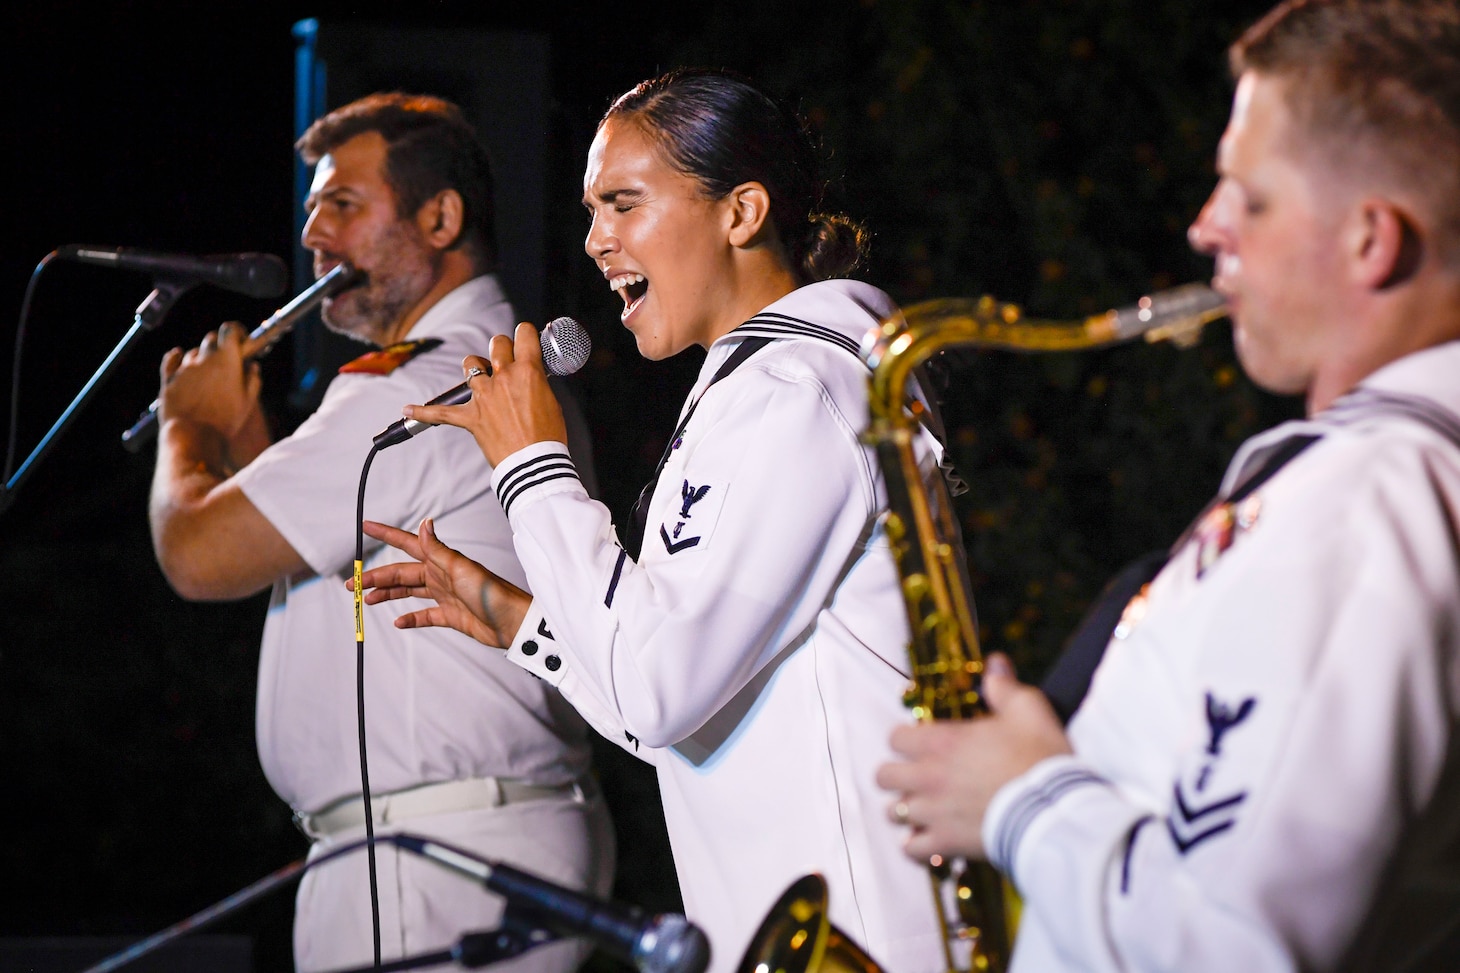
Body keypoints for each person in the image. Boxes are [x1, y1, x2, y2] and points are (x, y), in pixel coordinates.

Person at [875, 1, 1460, 970]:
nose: (1204, 227)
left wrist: (1022, 799)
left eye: (1249, 197)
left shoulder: (1364, 507)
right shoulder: (1379, 482)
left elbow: (1238, 951)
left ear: (1369, 240)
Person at [357, 70, 949, 973]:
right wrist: (526, 624)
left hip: (862, 939)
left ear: (741, 212)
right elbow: (675, 710)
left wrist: (533, 468)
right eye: (592, 211)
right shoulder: (768, 389)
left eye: (624, 204)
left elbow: (659, 686)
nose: (597, 241)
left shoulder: (794, 395)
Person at [148, 92, 612, 973]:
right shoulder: (457, 367)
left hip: (444, 855)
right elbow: (317, 549)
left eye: (344, 207)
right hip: (425, 846)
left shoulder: (429, 379)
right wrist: (251, 447)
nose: (314, 236)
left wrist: (187, 426)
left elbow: (197, 552)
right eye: (312, 209)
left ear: (440, 217)